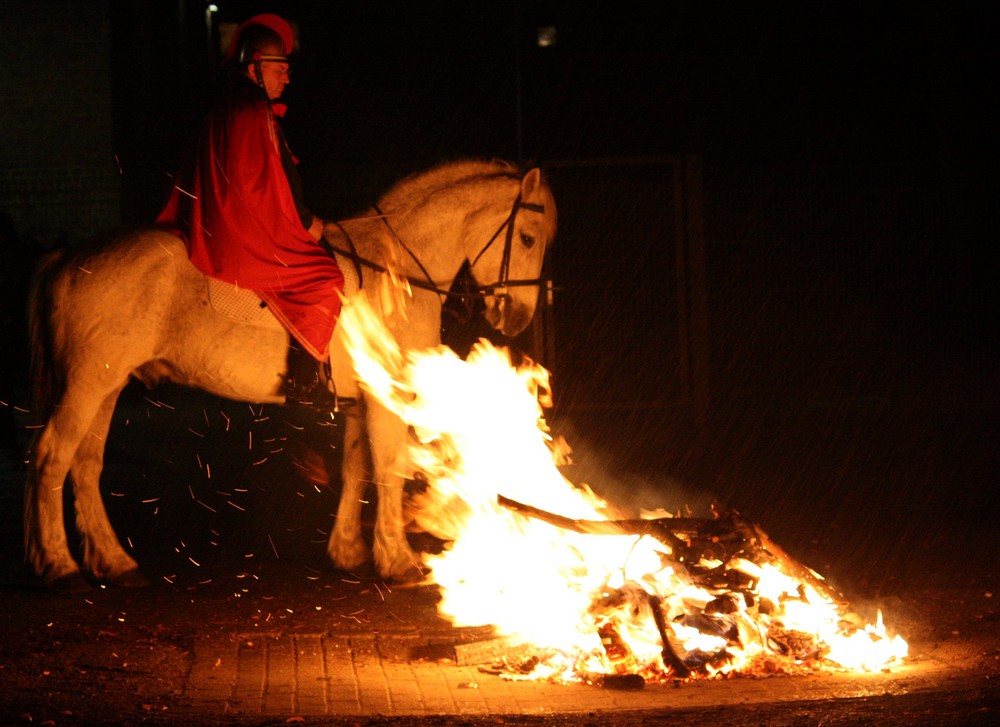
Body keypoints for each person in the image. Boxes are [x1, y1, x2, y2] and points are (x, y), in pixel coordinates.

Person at [157, 13, 342, 411]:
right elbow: (268, 185)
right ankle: (305, 380)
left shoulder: (234, 104)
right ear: (255, 66)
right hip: (240, 231)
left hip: (222, 219)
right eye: (280, 69)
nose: (287, 79)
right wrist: (306, 222)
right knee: (325, 278)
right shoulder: (252, 112)